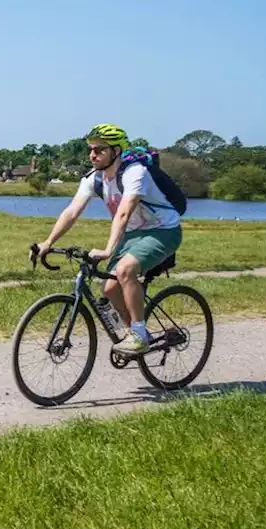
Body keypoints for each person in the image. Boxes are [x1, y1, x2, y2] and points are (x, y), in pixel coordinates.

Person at [34, 123, 183, 355]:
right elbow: (71, 212)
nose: (93, 154)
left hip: (163, 230)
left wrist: (107, 250)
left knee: (124, 271)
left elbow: (124, 212)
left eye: (100, 149)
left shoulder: (135, 173)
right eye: (91, 149)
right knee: (110, 288)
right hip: (133, 234)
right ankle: (133, 332)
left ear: (116, 151)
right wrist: (48, 242)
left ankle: (139, 334)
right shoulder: (94, 179)